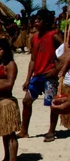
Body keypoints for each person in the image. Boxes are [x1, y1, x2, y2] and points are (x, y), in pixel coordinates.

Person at [18, 9, 63, 141]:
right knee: (26, 101)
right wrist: (27, 79)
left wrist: (56, 71)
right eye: (35, 20)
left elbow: (66, 53)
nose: (36, 22)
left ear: (46, 21)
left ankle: (51, 131)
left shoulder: (54, 35)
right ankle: (24, 130)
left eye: (39, 20)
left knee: (53, 103)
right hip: (37, 75)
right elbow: (33, 59)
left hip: (49, 74)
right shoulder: (35, 37)